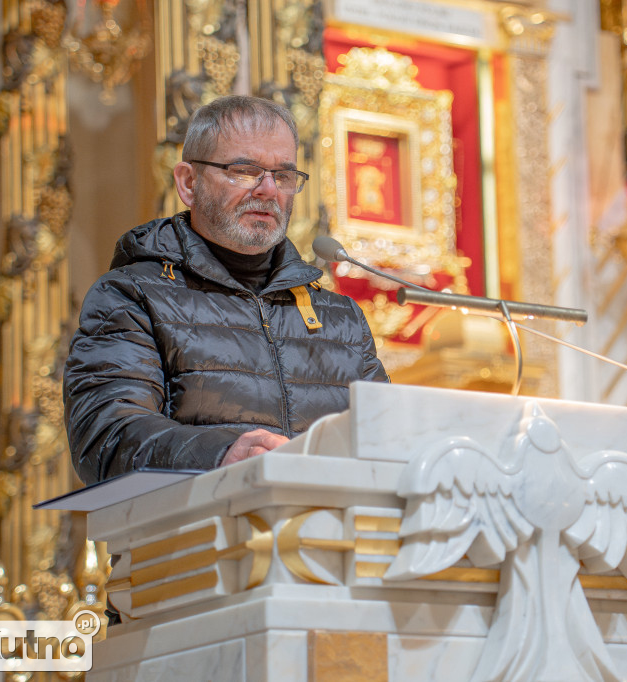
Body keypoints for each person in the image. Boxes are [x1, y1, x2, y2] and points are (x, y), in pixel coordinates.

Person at [63, 95, 389, 485]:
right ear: (188, 182)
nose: (268, 190)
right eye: (244, 170)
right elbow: (107, 437)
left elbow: (386, 443)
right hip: (195, 539)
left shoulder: (342, 318)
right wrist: (221, 455)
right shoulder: (132, 295)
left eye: (283, 175)